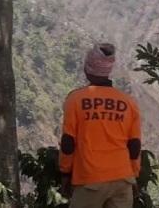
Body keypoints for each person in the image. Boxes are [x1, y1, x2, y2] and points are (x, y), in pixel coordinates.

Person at [59, 44, 142, 208]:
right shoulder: (128, 102)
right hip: (122, 178)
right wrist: (133, 175)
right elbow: (134, 146)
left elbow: (68, 142)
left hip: (90, 179)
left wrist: (65, 172)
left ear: (87, 69)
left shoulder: (75, 99)